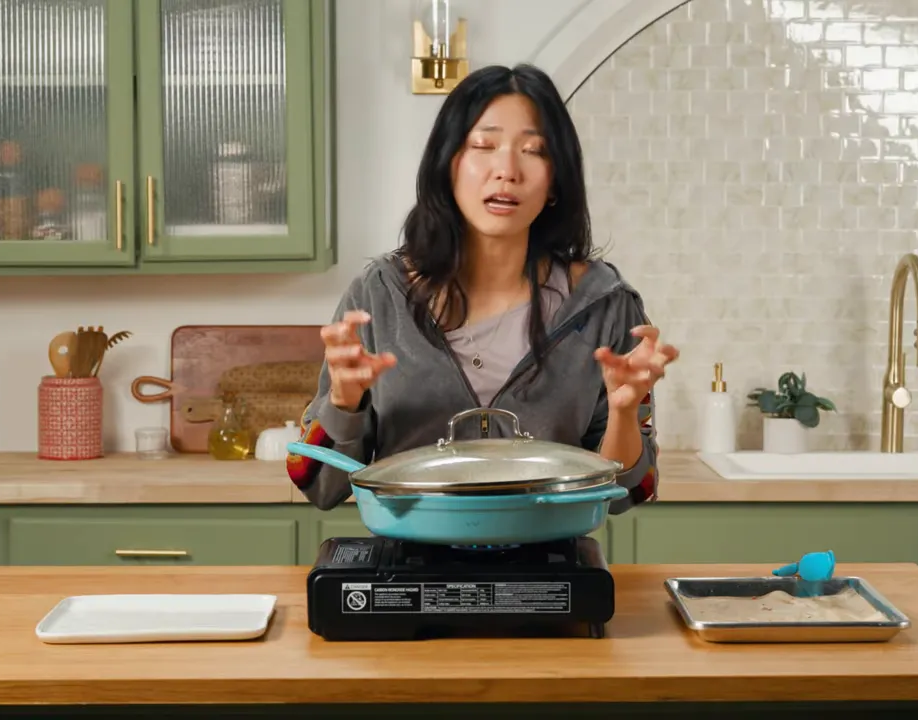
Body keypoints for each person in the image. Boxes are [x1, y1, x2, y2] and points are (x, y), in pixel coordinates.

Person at [287, 62, 679, 513]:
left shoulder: (606, 306)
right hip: (411, 566)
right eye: (483, 145)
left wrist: (625, 412)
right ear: (448, 165)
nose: (507, 170)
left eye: (534, 151)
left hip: (551, 567)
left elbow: (631, 491)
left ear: (555, 182)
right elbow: (319, 486)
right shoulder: (378, 297)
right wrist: (344, 401)